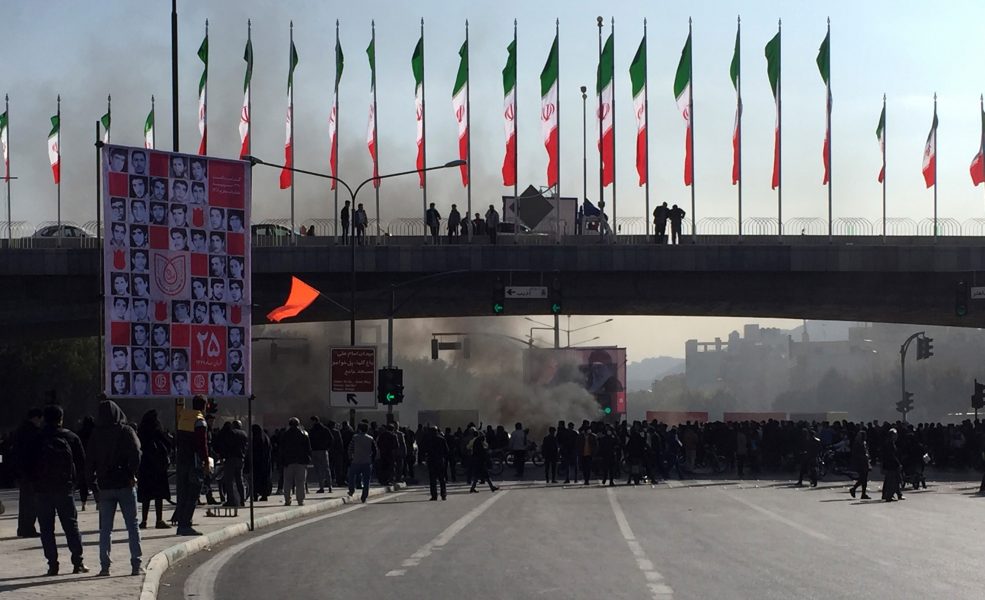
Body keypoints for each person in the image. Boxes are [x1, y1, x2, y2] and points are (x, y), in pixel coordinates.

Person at [85, 399, 142, 576]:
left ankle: (105, 566)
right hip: (125, 484)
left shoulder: (96, 434)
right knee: (132, 525)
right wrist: (132, 473)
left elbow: (89, 463)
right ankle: (136, 564)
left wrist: (93, 487)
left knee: (105, 529)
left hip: (105, 486)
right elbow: (137, 453)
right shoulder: (126, 431)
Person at [32, 405, 89, 575]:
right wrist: (74, 483)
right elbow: (82, 463)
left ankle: (52, 565)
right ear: (61, 419)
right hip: (65, 489)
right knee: (71, 526)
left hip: (42, 490)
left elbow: (27, 462)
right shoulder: (71, 437)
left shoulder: (37, 438)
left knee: (46, 529)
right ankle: (77, 562)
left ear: (44, 419)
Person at [174, 395, 210, 536]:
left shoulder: (183, 418)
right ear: (205, 406)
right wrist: (206, 462)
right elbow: (202, 445)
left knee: (183, 493)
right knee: (193, 493)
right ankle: (185, 524)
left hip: (181, 460)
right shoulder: (200, 421)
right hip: (194, 463)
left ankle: (181, 523)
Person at [137, 410, 172, 529]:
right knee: (158, 495)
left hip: (145, 467)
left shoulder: (141, 432)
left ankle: (144, 520)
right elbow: (168, 443)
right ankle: (159, 520)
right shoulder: (157, 430)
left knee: (146, 496)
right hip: (158, 467)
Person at [14, 408, 43, 538]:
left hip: (22, 471)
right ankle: (28, 528)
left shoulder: (20, 430)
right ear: (36, 418)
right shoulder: (34, 432)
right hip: (32, 471)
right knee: (31, 503)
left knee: (24, 501)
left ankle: (22, 527)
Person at [279, 417, 310, 506]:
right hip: (301, 462)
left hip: (288, 462)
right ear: (298, 424)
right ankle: (300, 500)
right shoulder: (304, 435)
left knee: (287, 482)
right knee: (300, 482)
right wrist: (307, 460)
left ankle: (287, 500)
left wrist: (282, 461)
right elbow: (308, 449)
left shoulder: (285, 435)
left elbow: (281, 449)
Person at [347, 422, 377, 503]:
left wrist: (350, 457)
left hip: (356, 461)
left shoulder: (355, 437)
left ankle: (351, 490)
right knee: (366, 480)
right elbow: (375, 450)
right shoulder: (370, 439)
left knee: (351, 476)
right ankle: (364, 496)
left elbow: (350, 448)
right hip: (367, 461)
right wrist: (372, 459)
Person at [221, 421, 248, 508]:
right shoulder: (244, 434)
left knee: (229, 481)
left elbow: (226, 445)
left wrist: (223, 456)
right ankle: (242, 500)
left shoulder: (231, 433)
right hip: (240, 459)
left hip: (231, 458)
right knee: (239, 480)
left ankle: (231, 500)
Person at [308, 416, 333, 494]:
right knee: (326, 469)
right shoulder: (325, 429)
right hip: (323, 450)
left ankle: (321, 487)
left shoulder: (312, 430)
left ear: (314, 421)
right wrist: (327, 447)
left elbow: (309, 441)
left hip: (315, 451)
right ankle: (330, 487)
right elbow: (331, 439)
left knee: (319, 470)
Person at [424, 426, 449, 500]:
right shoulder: (441, 439)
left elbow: (425, 450)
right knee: (442, 479)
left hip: (431, 461)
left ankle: (434, 495)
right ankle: (443, 494)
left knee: (433, 480)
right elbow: (446, 450)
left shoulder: (428, 440)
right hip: (440, 461)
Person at [250, 425, 272, 502]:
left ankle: (255, 495)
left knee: (255, 480)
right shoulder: (266, 437)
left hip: (257, 463)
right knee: (264, 479)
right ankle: (264, 495)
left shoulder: (256, 438)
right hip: (265, 463)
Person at [881, 428, 903, 502]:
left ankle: (896, 494)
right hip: (891, 465)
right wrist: (898, 464)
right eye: (895, 435)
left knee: (893, 480)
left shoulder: (889, 443)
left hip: (890, 464)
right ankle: (889, 496)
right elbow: (892, 455)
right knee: (892, 481)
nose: (896, 436)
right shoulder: (890, 444)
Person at [849, 430, 872, 500]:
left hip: (864, 462)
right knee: (863, 478)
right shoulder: (858, 444)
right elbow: (856, 454)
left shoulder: (863, 443)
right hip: (861, 462)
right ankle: (855, 489)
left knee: (864, 478)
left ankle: (862, 493)